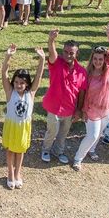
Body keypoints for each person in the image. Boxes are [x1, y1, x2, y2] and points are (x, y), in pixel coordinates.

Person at [73, 23, 109, 170]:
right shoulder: (87, 75)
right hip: (91, 109)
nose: (98, 62)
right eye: (95, 59)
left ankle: (91, 150)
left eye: (100, 59)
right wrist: (82, 110)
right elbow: (82, 94)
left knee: (99, 133)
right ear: (92, 60)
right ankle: (77, 159)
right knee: (92, 135)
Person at [1, 43, 46, 189]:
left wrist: (42, 59)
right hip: (12, 126)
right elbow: (4, 74)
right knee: (10, 150)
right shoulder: (10, 92)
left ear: (27, 84)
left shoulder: (31, 93)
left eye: (22, 82)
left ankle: (18, 172)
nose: (18, 85)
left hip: (24, 127)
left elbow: (39, 76)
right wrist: (8, 56)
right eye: (16, 82)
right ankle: (9, 173)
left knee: (20, 151)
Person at [41, 31, 88, 165]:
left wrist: (79, 110)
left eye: (71, 53)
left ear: (77, 54)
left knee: (63, 133)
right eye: (66, 52)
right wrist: (51, 40)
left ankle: (58, 151)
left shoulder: (82, 72)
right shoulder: (56, 63)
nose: (68, 55)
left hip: (69, 109)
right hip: (53, 106)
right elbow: (51, 52)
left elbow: (82, 93)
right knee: (52, 130)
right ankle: (46, 149)